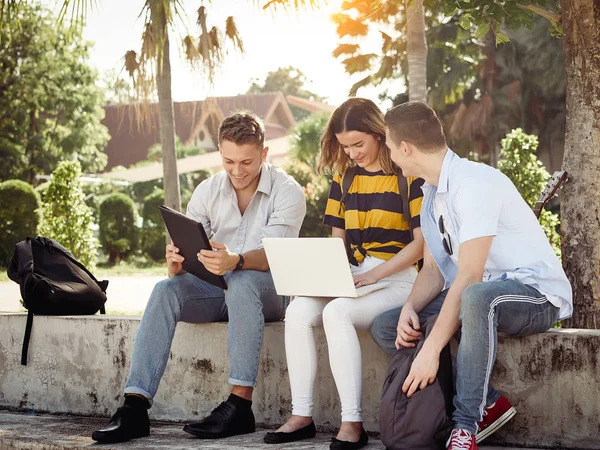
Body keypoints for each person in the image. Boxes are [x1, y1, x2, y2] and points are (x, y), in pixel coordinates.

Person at [91, 111, 306, 443]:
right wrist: (177, 264)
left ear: (264, 154)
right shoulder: (208, 191)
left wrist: (234, 260)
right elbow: (192, 253)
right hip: (218, 289)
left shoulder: (287, 191)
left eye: (247, 162)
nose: (237, 171)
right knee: (166, 290)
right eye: (229, 160)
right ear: (220, 152)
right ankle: (134, 408)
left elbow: (274, 257)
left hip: (269, 292)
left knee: (243, 281)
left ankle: (239, 406)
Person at [371, 101, 573, 450]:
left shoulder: (475, 183)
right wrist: (409, 307)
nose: (390, 156)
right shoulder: (430, 195)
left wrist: (431, 350)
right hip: (479, 294)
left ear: (406, 148)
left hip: (535, 296)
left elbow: (469, 275)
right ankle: (490, 401)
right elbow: (434, 271)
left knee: (477, 297)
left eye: (389, 147)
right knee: (388, 327)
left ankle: (466, 424)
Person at [265, 98, 425, 450]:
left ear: (379, 134)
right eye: (345, 145)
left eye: (358, 144)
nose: (352, 153)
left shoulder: (407, 175)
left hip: (399, 279)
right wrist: (327, 275)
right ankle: (301, 415)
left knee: (337, 312)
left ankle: (352, 423)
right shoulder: (344, 176)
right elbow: (337, 240)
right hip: (353, 275)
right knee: (297, 310)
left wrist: (374, 274)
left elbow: (419, 247)